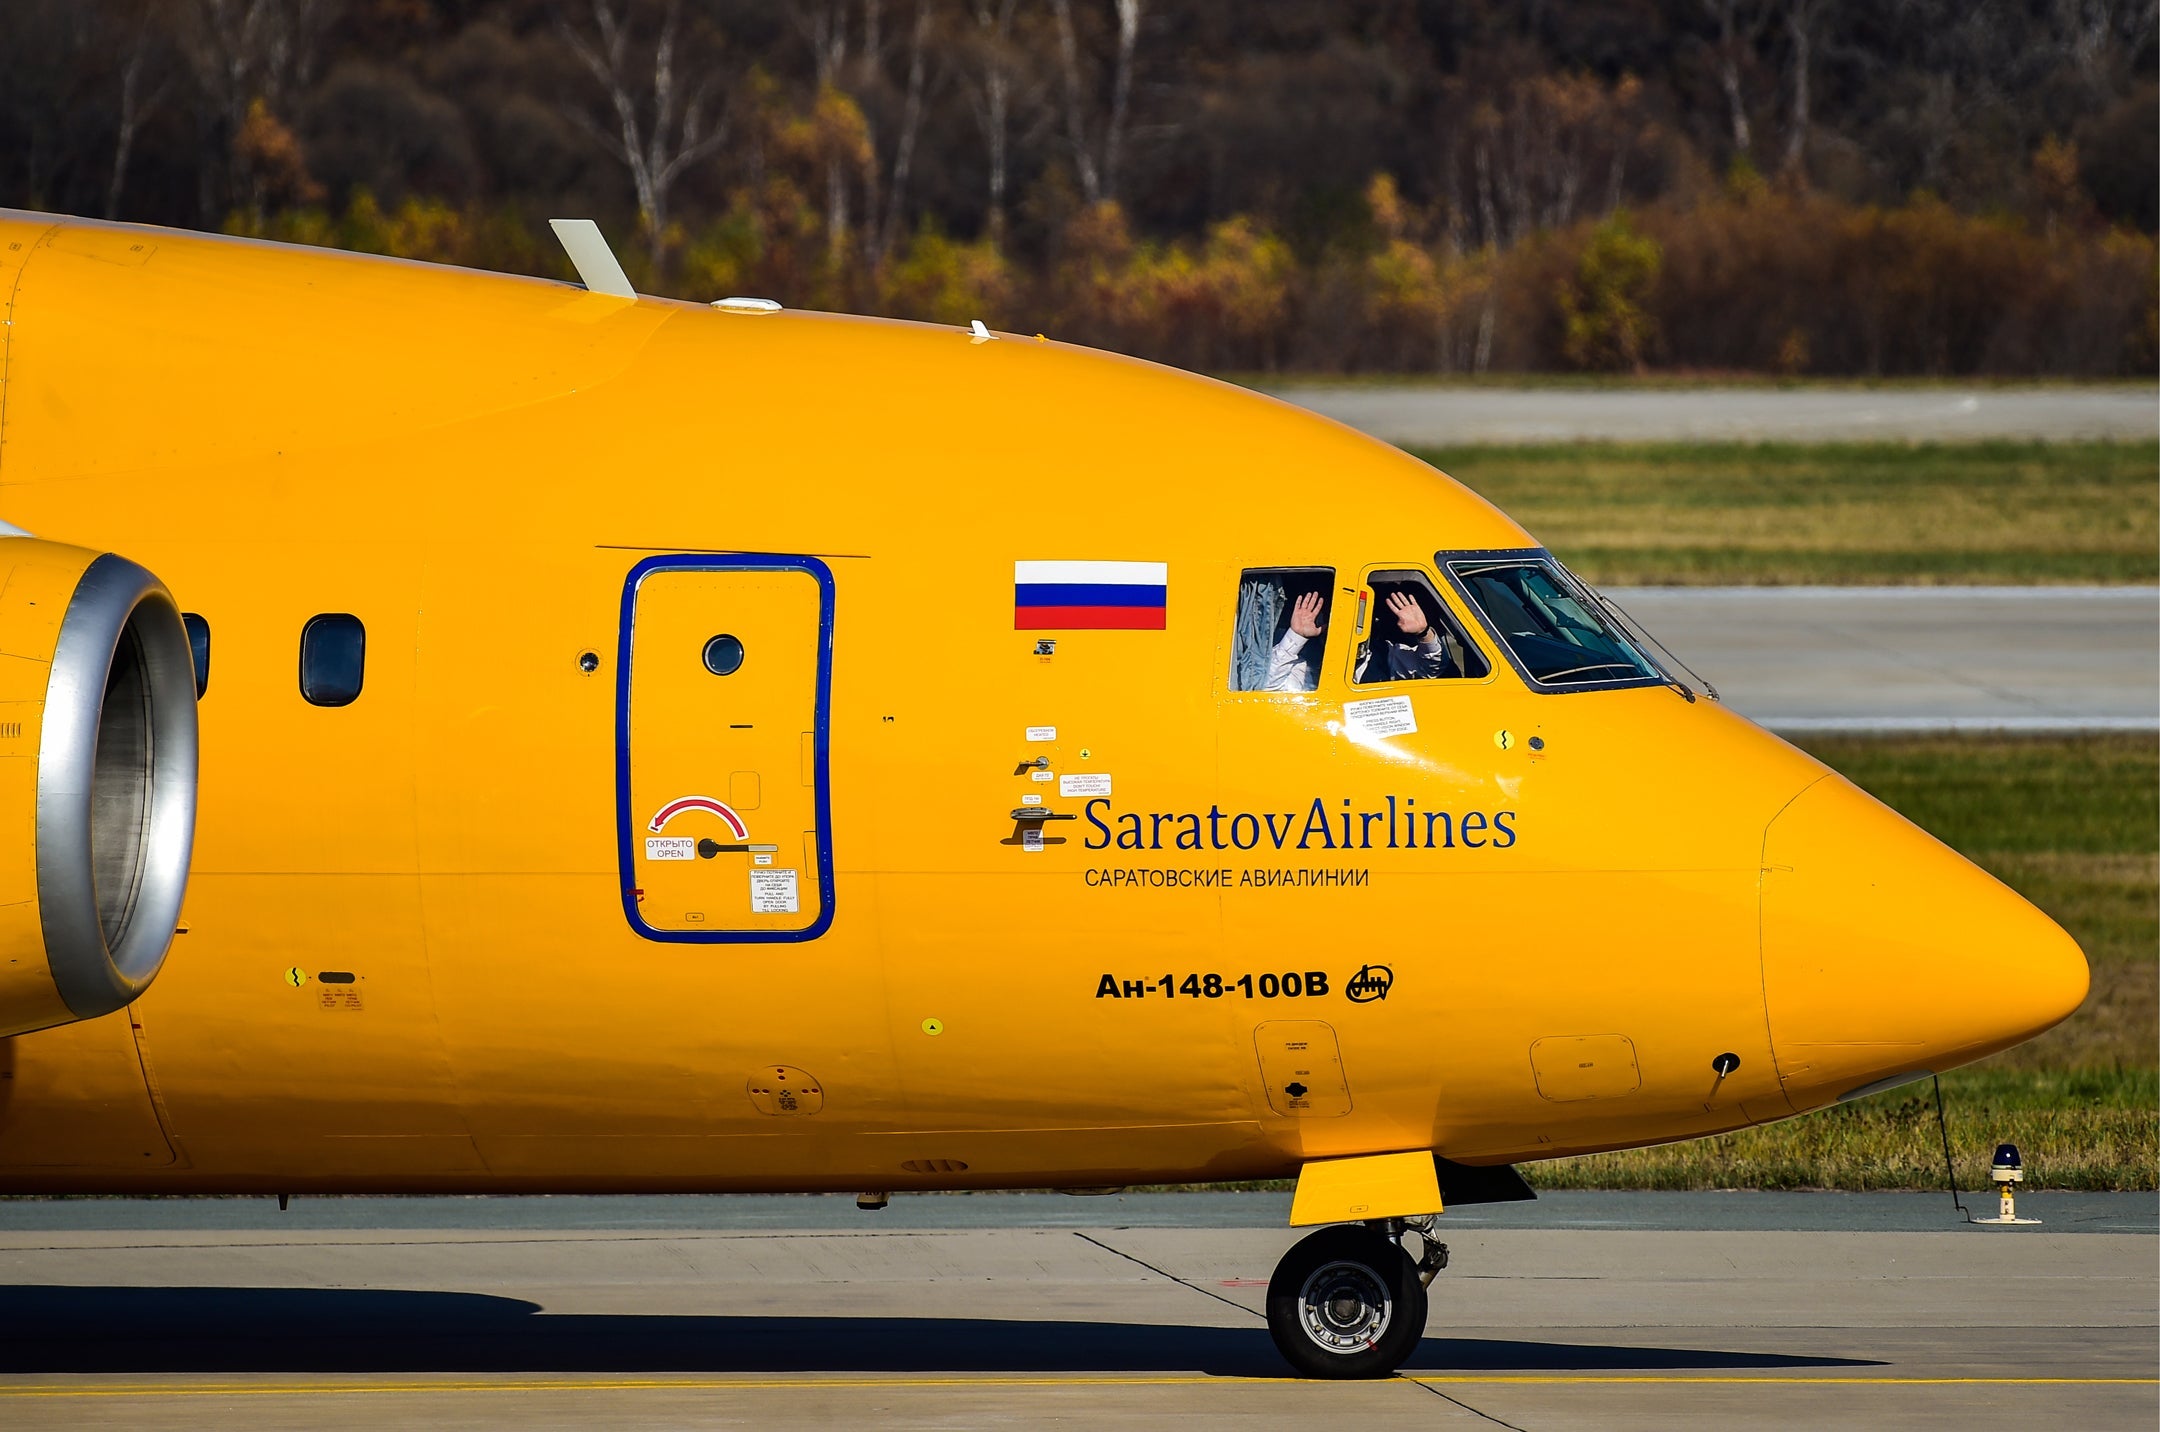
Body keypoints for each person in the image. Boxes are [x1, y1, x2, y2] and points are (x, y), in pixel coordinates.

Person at [1262, 587, 1456, 692]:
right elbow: (1266, 684)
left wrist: (1423, 633)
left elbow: (1432, 667)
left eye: (1358, 625)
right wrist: (1296, 636)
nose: (1350, 633)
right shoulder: (1303, 664)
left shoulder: (1385, 653)